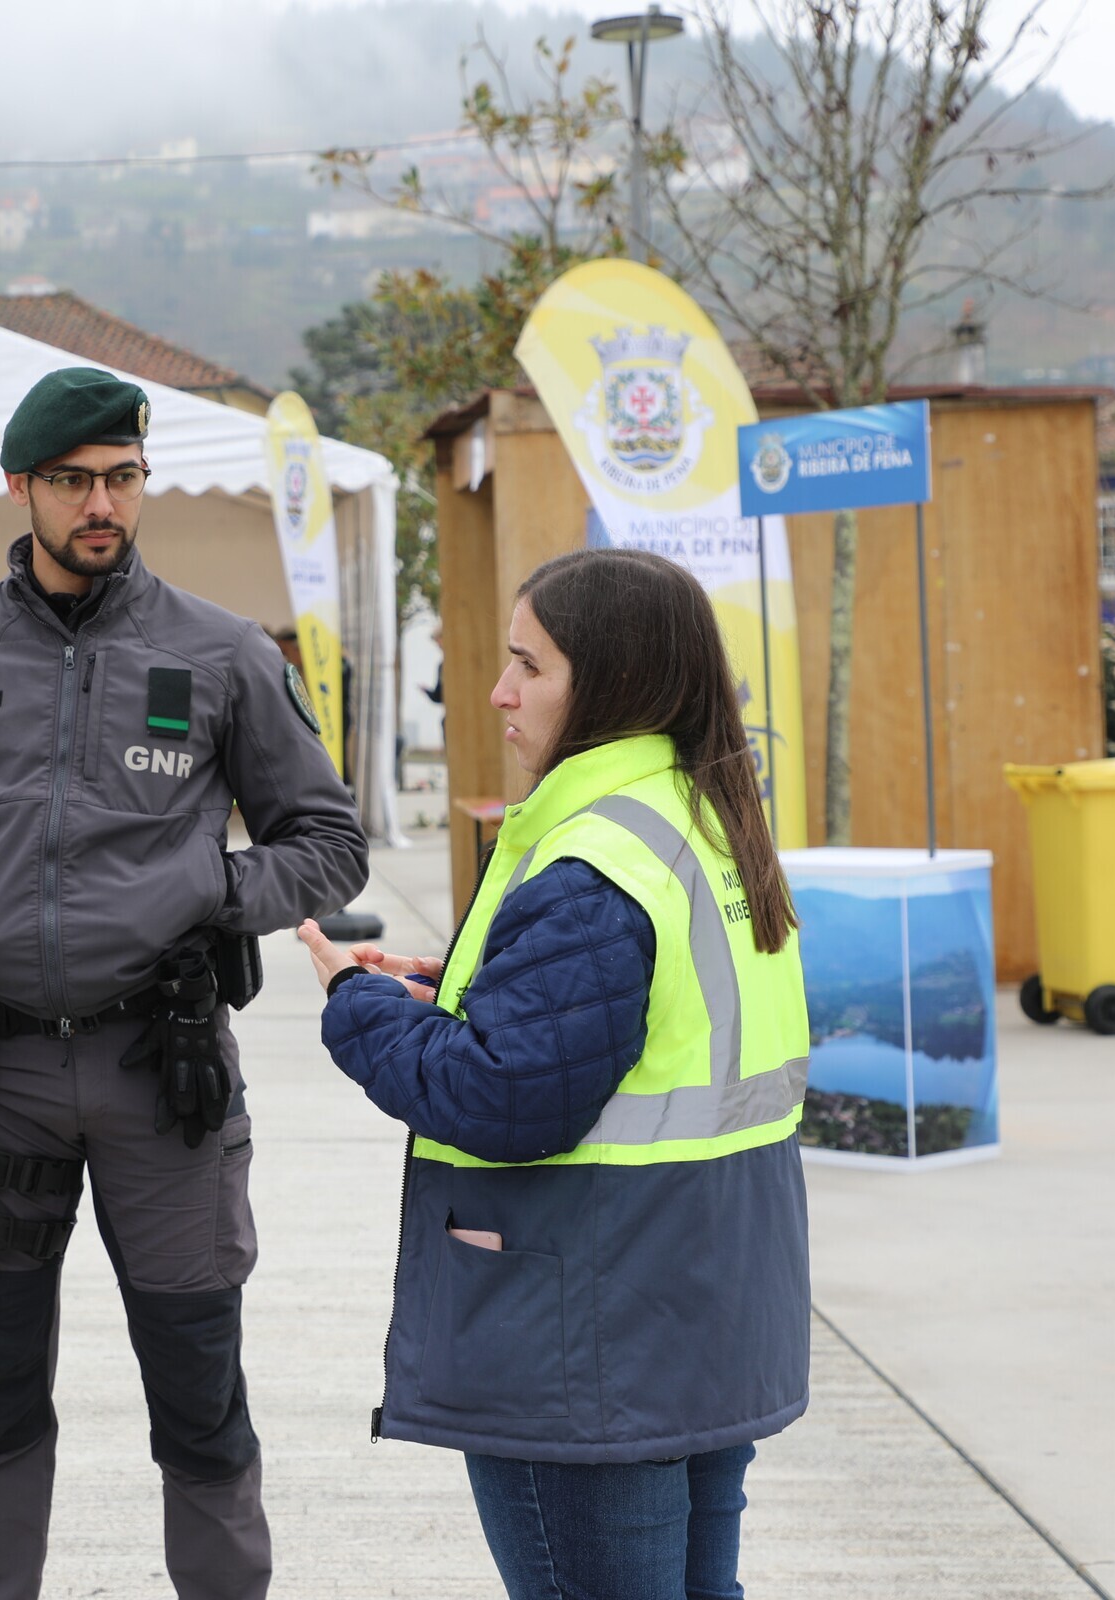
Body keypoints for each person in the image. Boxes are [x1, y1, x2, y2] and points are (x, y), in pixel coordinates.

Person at [0, 367, 371, 1600]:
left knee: (199, 1388)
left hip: (163, 1080)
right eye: (73, 481)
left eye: (123, 478)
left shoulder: (222, 653)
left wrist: (206, 887)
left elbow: (327, 843)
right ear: (19, 486)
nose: (101, 505)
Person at [295, 547, 810, 1600]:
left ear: (609, 682)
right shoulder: (700, 817)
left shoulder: (594, 860)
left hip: (592, 1334)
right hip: (701, 1306)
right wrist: (457, 988)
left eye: (528, 665)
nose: (499, 691)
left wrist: (356, 1004)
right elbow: (637, 1030)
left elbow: (504, 1097)